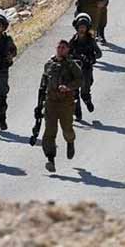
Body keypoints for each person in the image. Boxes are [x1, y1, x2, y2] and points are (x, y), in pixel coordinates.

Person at [32, 40, 82, 172]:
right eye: (58, 47)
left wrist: (68, 87)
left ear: (68, 50)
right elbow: (43, 85)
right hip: (51, 103)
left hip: (66, 103)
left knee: (67, 129)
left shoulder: (72, 65)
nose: (60, 49)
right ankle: (50, 159)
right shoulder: (49, 64)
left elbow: (80, 80)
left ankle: (70, 142)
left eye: (63, 47)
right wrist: (39, 105)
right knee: (49, 131)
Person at [69, 12, 102, 120]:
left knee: (84, 92)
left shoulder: (90, 41)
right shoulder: (73, 41)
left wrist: (91, 59)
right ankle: (77, 113)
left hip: (86, 70)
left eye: (84, 27)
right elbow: (67, 53)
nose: (82, 29)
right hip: (74, 70)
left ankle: (88, 101)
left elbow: (99, 53)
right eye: (80, 27)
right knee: (74, 93)